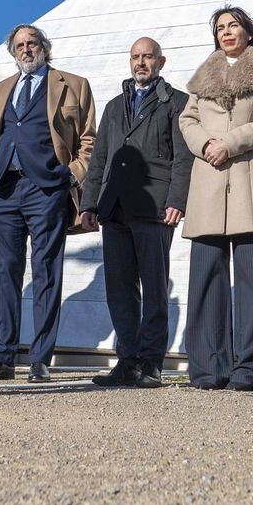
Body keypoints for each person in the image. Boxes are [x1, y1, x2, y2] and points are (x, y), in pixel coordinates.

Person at [0, 24, 97, 383]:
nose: (27, 49)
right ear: (13, 52)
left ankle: (40, 359)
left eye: (32, 43)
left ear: (45, 47)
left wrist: (72, 174)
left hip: (47, 190)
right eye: (20, 45)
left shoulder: (72, 83)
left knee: (45, 272)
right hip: (1, 191)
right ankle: (2, 357)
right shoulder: (0, 89)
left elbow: (89, 138)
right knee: (4, 274)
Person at [179, 6, 253, 391]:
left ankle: (250, 370)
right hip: (207, 178)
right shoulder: (204, 73)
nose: (226, 32)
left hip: (246, 177)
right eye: (220, 28)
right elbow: (186, 119)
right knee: (206, 278)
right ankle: (208, 369)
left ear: (247, 31)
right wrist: (206, 143)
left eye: (232, 25)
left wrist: (229, 143)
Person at [81, 37, 193, 388]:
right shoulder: (115, 106)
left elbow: (184, 157)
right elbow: (99, 158)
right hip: (114, 208)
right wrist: (88, 203)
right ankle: (127, 361)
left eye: (147, 57)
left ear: (161, 61)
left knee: (154, 287)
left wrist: (177, 199)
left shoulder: (177, 103)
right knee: (119, 288)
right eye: (135, 57)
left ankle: (151, 363)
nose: (140, 63)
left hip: (155, 206)